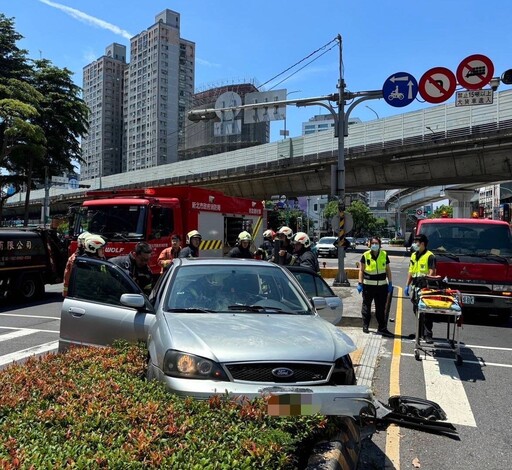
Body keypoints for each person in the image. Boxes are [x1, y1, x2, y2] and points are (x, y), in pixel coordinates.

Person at [357, 236, 393, 336]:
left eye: (376, 243)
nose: (374, 245)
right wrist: (360, 283)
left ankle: (382, 328)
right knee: (366, 307)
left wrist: (390, 282)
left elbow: (388, 270)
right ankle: (365, 325)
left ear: (380, 244)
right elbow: (361, 270)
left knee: (381, 309)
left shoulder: (384, 254)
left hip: (382, 287)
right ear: (369, 244)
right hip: (368, 286)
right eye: (372, 243)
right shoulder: (365, 255)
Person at [405, 234, 437, 343]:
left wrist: (428, 286)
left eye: (416, 242)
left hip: (425, 287)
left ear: (422, 243)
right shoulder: (414, 255)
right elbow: (411, 270)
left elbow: (432, 272)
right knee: (417, 310)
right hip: (415, 286)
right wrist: (407, 285)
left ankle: (428, 334)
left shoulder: (430, 256)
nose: (414, 244)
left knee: (426, 311)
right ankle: (419, 332)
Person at [62, 231, 90, 297]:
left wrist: (65, 292)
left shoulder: (73, 257)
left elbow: (67, 276)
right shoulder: (88, 259)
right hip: (84, 292)